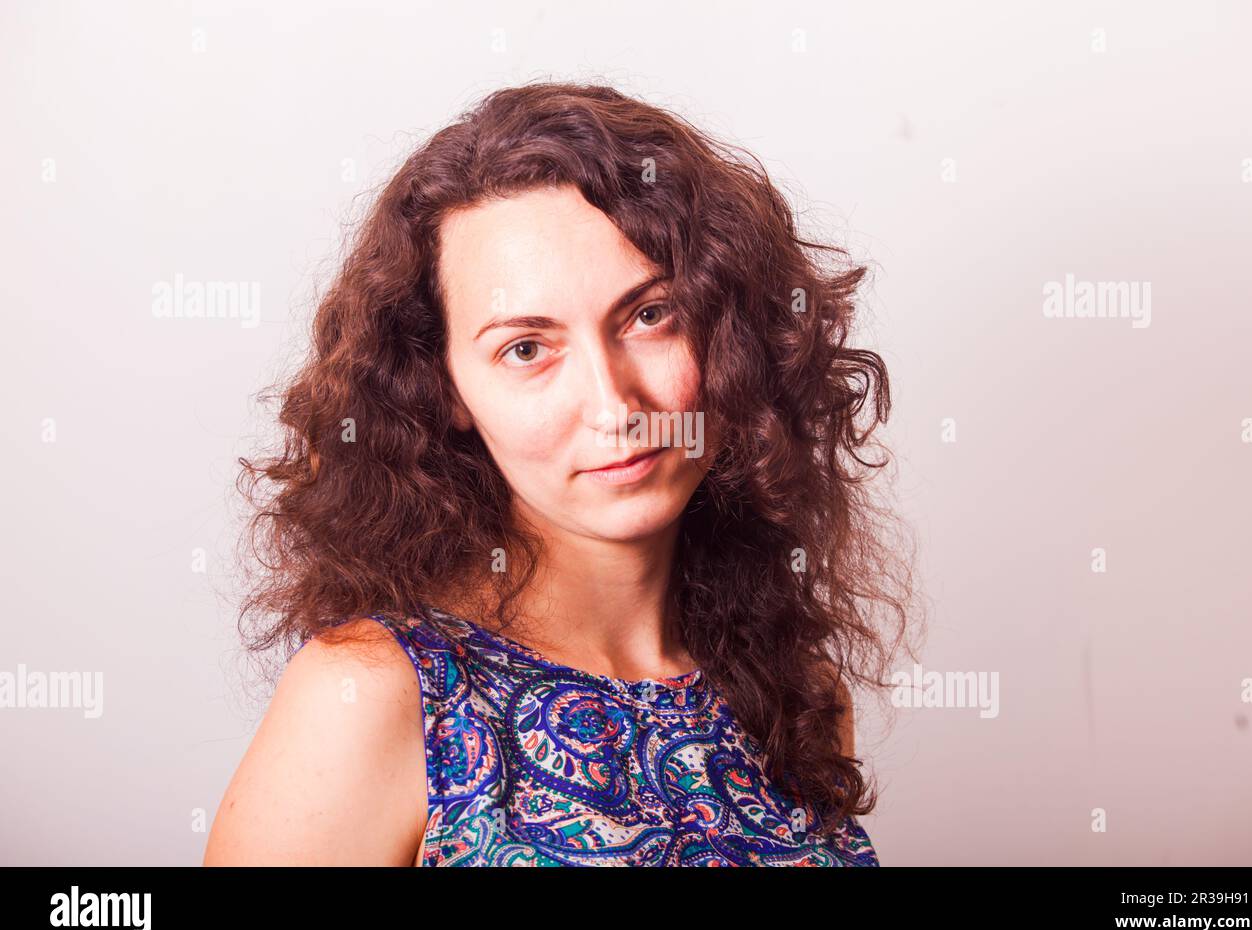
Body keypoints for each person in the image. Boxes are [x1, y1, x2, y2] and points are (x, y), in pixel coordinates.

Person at [204, 81, 916, 866]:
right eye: (527, 349)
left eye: (650, 315)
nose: (614, 407)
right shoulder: (375, 697)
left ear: (730, 327)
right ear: (445, 393)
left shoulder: (796, 692)